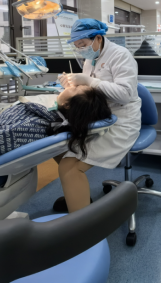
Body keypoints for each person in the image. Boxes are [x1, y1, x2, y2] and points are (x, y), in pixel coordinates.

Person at [56, 18, 142, 213]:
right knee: (60, 149)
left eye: (83, 44)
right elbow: (89, 92)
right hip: (99, 119)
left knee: (70, 166)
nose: (81, 49)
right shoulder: (90, 59)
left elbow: (125, 94)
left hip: (122, 122)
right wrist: (72, 84)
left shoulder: (120, 55)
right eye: (77, 46)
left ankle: (83, 222)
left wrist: (89, 81)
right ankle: (78, 197)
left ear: (98, 38)